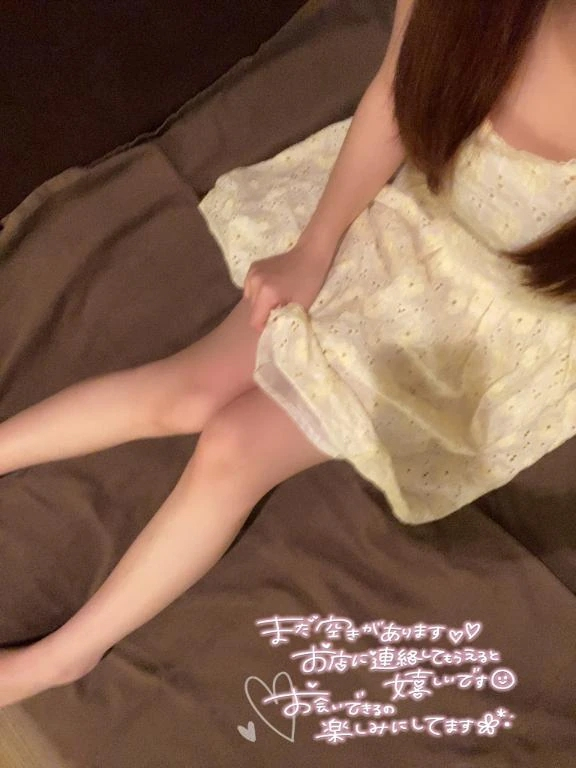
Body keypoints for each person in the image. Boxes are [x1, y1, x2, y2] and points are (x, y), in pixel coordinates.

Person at [1, 0, 576, 707]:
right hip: (406, 224)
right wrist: (313, 247)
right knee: (189, 391)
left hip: (499, 318)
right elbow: (395, 98)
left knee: (233, 447)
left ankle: (59, 660)